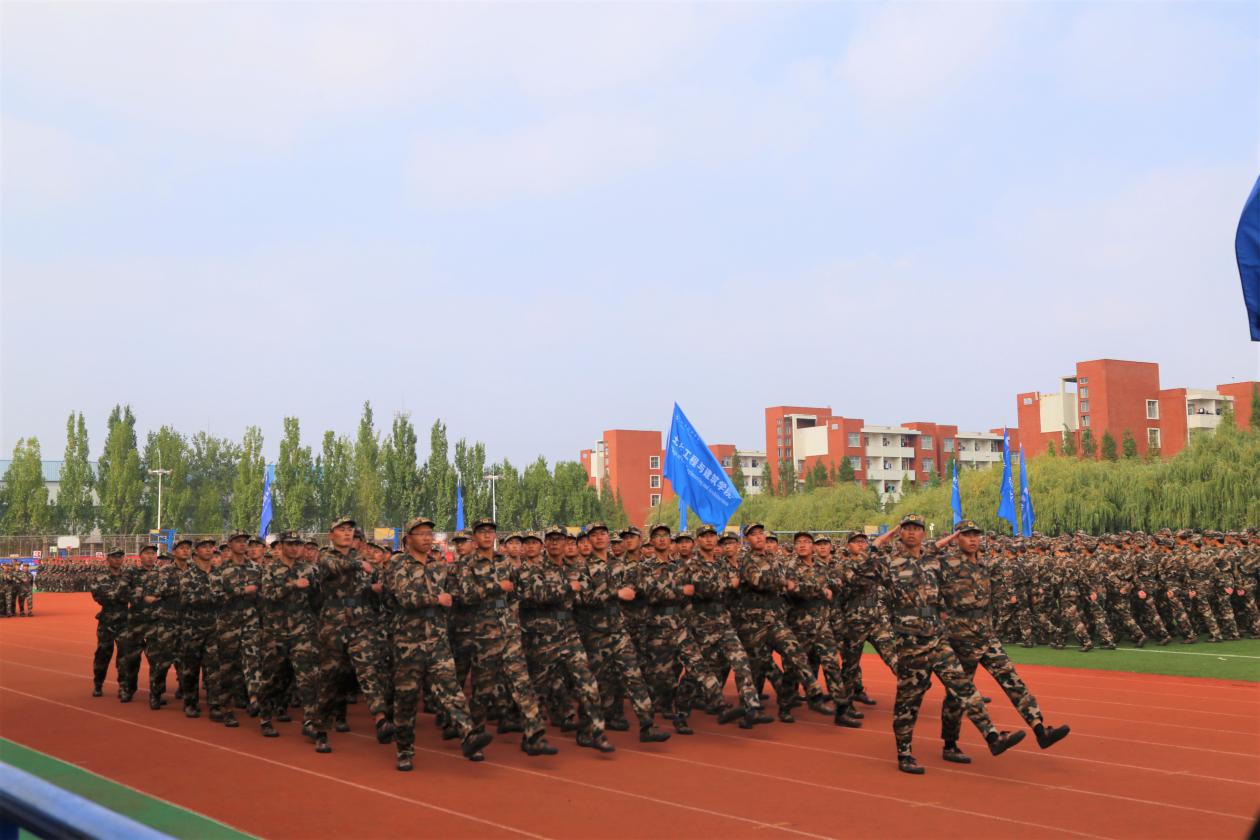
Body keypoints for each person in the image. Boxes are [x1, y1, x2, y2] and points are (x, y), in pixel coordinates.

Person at [878, 514, 1024, 775]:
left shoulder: (933, 560)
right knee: (909, 701)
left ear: (924, 534)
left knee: (964, 687)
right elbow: (861, 564)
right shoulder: (888, 562)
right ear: (899, 533)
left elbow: (948, 571)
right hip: (910, 642)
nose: (911, 533)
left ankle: (992, 736)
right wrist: (882, 540)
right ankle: (905, 753)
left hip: (937, 637)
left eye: (916, 529)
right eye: (906, 529)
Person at [935, 521, 1070, 763]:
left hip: (987, 635)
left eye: (976, 535)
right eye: (966, 535)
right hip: (961, 638)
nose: (973, 539)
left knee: (1013, 680)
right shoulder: (946, 563)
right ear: (956, 538)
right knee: (958, 695)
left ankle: (1040, 729)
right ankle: (950, 744)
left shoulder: (985, 564)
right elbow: (921, 559)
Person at [387, 516, 493, 771]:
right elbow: (404, 597)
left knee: (451, 688)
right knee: (406, 698)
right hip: (408, 641)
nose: (427, 538)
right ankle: (404, 750)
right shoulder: (397, 564)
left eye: (429, 534)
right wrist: (436, 599)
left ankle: (468, 735)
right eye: (421, 533)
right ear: (408, 538)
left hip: (437, 638)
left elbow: (456, 592)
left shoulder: (438, 567)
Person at [455, 518, 557, 756]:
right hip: (483, 634)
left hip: (508, 631)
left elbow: (514, 594)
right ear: (474, 536)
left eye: (490, 531)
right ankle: (475, 736)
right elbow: (466, 596)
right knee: (482, 689)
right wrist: (496, 587)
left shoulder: (505, 562)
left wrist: (511, 617)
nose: (487, 535)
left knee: (522, 683)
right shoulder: (465, 564)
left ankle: (534, 736)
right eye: (482, 532)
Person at [313, 516, 393, 754]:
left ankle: (380, 719)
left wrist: (372, 589)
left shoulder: (360, 559)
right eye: (342, 529)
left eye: (350, 529)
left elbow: (361, 587)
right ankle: (321, 729)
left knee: (368, 670)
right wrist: (360, 564)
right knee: (330, 677)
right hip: (333, 624)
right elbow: (335, 568)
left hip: (359, 624)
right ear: (332, 535)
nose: (347, 533)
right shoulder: (326, 556)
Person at [90, 548, 131, 699]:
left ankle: (123, 687)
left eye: (120, 557)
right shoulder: (99, 577)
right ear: (108, 559)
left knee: (124, 655)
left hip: (124, 621)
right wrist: (119, 595)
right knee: (103, 654)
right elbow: (99, 597)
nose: (117, 559)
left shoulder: (128, 577)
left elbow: (132, 596)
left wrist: (114, 595)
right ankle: (98, 684)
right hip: (106, 621)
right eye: (114, 557)